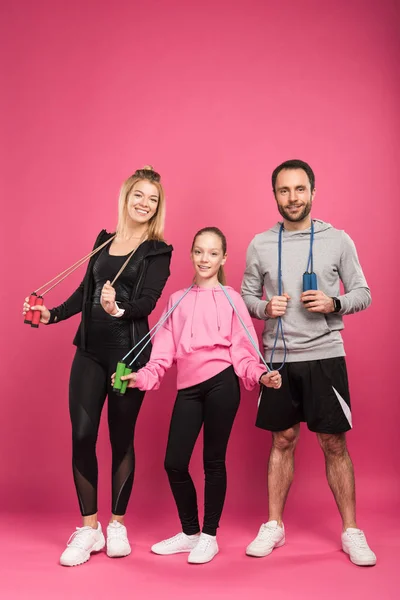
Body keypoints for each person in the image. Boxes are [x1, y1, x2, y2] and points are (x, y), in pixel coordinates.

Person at [22, 166, 173, 567]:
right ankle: (89, 529)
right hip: (88, 352)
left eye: (152, 199)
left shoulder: (158, 251)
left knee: (121, 440)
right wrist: (49, 315)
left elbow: (148, 303)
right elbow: (82, 294)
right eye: (138, 195)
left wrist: (118, 308)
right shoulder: (103, 243)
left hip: (128, 357)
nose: (144, 203)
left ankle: (117, 524)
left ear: (158, 208)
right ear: (125, 198)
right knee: (83, 435)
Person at [117, 227, 282, 564]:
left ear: (223, 258)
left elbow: (245, 349)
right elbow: (162, 352)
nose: (205, 259)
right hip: (188, 387)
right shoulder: (177, 300)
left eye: (212, 253)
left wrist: (260, 374)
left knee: (213, 461)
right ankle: (190, 533)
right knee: (174, 463)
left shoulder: (232, 299)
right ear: (191, 254)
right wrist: (144, 376)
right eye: (199, 252)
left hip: (222, 382)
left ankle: (209, 536)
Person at [241, 159, 376, 567]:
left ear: (313, 192)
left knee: (334, 443)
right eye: (284, 190)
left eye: (300, 189)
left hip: (325, 355)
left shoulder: (338, 240)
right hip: (278, 359)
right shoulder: (260, 244)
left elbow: (363, 292)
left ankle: (352, 531)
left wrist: (334, 303)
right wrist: (265, 307)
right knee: (281, 440)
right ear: (275, 196)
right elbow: (245, 297)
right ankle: (274, 526)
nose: (293, 197)